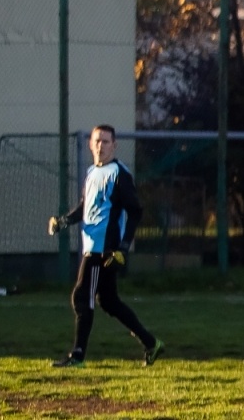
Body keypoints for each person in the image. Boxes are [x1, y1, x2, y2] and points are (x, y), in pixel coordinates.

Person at [49, 125, 164, 368]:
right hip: (94, 245)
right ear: (91, 144)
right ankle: (151, 343)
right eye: (97, 141)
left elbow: (135, 211)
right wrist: (64, 221)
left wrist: (122, 247)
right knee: (109, 301)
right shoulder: (92, 172)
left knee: (82, 296)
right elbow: (85, 207)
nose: (101, 146)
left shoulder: (119, 173)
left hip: (105, 249)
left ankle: (78, 355)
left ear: (115, 145)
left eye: (106, 142)